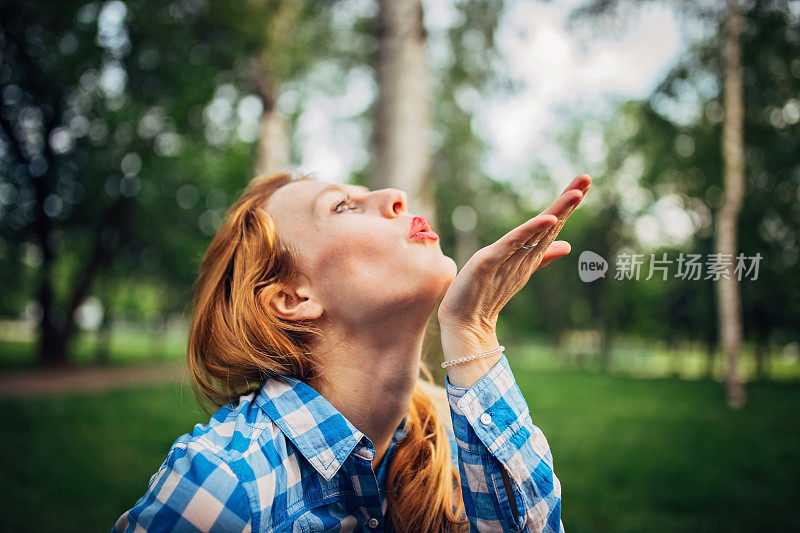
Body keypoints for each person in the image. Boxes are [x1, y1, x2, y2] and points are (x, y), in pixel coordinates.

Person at [114, 170, 591, 532]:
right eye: (343, 207)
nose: (394, 197)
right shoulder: (223, 484)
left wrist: (473, 330)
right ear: (293, 298)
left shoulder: (448, 439)